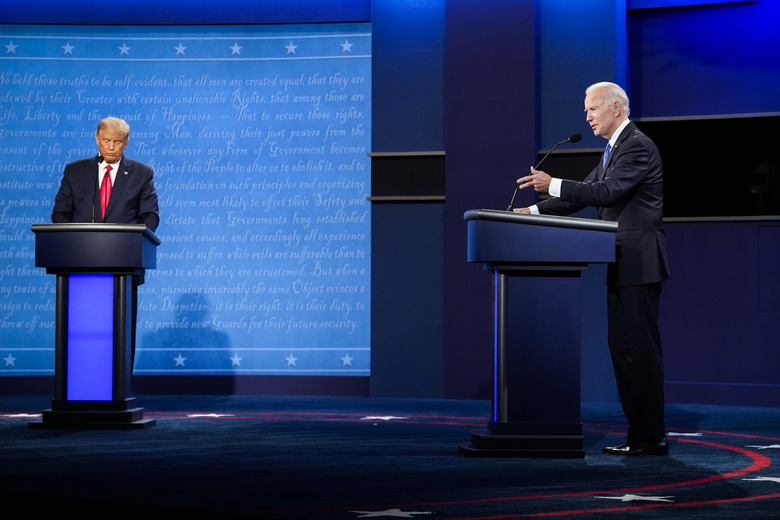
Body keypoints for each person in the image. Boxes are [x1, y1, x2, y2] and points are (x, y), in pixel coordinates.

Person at [514, 82, 671, 456]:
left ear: (616, 107)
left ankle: (652, 436)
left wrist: (553, 183)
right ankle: (641, 434)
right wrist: (530, 213)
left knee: (640, 351)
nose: (587, 116)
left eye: (592, 109)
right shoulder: (612, 149)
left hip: (640, 261)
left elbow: (606, 193)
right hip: (620, 261)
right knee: (621, 347)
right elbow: (581, 193)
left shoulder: (637, 146)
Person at [51, 116, 160, 369]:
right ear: (97, 140)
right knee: (81, 332)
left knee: (119, 332)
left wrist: (132, 243)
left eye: (117, 142)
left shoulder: (141, 173)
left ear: (126, 143)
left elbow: (150, 216)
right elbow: (60, 214)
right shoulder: (75, 171)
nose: (111, 147)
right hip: (79, 267)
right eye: (106, 141)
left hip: (123, 267)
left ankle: (121, 391)